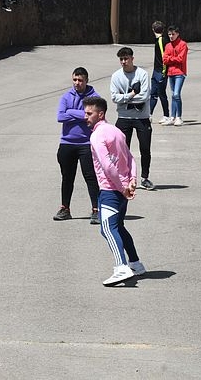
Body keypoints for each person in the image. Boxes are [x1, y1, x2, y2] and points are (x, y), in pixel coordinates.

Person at [82, 96, 146, 286]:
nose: (85, 117)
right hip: (122, 188)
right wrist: (132, 180)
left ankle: (121, 267)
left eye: (89, 113)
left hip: (111, 190)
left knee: (107, 229)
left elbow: (108, 166)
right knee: (118, 226)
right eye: (85, 113)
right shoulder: (116, 131)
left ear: (100, 114)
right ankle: (136, 264)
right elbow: (131, 158)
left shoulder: (97, 135)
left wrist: (122, 188)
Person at [54, 67, 101, 224]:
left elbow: (94, 116)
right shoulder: (66, 96)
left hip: (87, 144)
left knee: (90, 177)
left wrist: (71, 113)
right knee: (67, 177)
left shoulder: (94, 97)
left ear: (87, 80)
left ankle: (96, 210)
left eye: (80, 80)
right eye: (75, 79)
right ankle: (65, 209)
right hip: (67, 143)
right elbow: (61, 116)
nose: (77, 83)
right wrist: (81, 114)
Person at [109, 47, 155, 190]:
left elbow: (144, 96)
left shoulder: (142, 74)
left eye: (126, 58)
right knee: (121, 149)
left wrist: (125, 100)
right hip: (123, 117)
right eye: (121, 59)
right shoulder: (116, 76)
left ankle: (144, 178)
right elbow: (114, 97)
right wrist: (131, 95)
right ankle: (124, 177)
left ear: (132, 59)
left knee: (145, 149)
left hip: (142, 118)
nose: (123, 62)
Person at [162, 25, 188, 126]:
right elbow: (165, 59)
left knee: (176, 94)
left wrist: (170, 58)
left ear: (177, 34)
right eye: (169, 34)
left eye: (173, 34)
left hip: (180, 73)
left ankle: (179, 117)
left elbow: (181, 59)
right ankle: (172, 117)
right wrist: (172, 58)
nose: (171, 36)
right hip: (171, 73)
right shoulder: (168, 46)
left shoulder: (183, 45)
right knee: (173, 94)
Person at [150, 21, 171, 125]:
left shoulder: (162, 41)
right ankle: (149, 114)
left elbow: (165, 57)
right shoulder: (158, 40)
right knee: (153, 93)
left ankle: (167, 115)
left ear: (153, 30)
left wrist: (164, 72)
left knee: (161, 94)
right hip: (156, 71)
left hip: (161, 71)